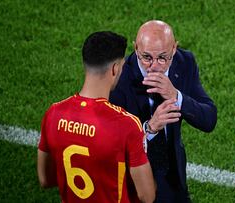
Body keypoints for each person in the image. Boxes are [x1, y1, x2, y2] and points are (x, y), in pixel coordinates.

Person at [37, 31, 155, 203]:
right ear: (115, 68)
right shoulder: (126, 125)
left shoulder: (54, 113)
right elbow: (147, 196)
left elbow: (45, 179)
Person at [109, 20, 217, 202]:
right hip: (135, 182)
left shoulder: (184, 63)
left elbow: (209, 119)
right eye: (146, 57)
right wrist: (149, 128)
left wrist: (176, 96)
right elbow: (112, 144)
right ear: (135, 49)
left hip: (174, 177)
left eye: (162, 57)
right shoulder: (120, 78)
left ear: (174, 49)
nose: (155, 66)